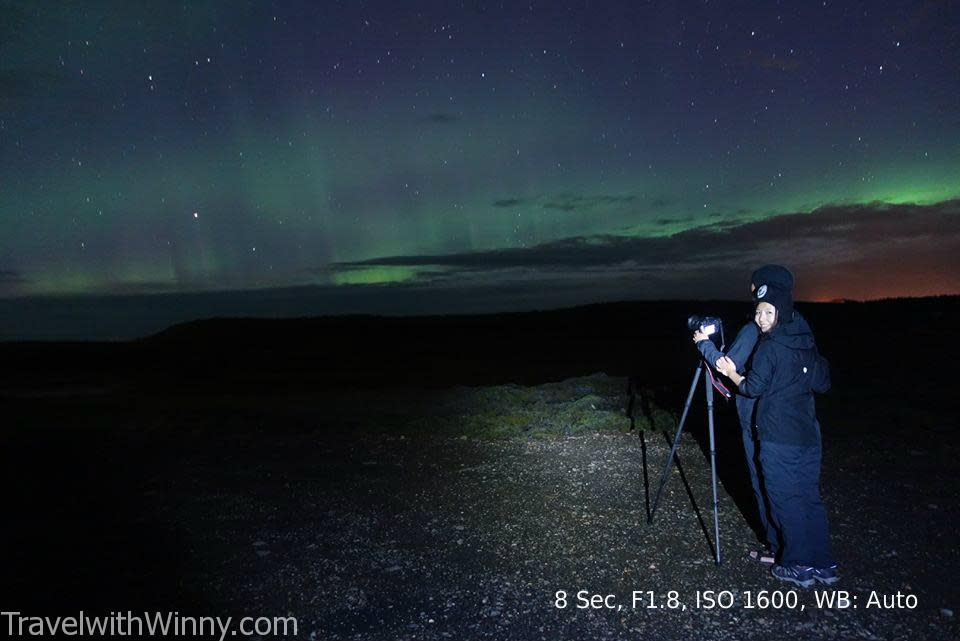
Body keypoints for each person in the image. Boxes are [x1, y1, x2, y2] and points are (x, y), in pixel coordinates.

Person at [714, 282, 837, 587]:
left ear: (782, 311)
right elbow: (822, 383)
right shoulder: (806, 343)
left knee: (785, 497)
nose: (762, 319)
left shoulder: (770, 346)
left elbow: (751, 387)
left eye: (769, 312)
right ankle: (823, 564)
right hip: (808, 434)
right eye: (758, 312)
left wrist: (731, 373)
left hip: (778, 436)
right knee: (809, 497)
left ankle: (797, 565)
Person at [692, 265, 803, 566]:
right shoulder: (793, 324)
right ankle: (784, 548)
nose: (752, 293)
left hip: (757, 416)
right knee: (783, 487)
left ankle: (781, 549)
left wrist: (704, 345)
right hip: (788, 420)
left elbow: (725, 365)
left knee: (763, 481)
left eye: (754, 287)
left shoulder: (754, 327)